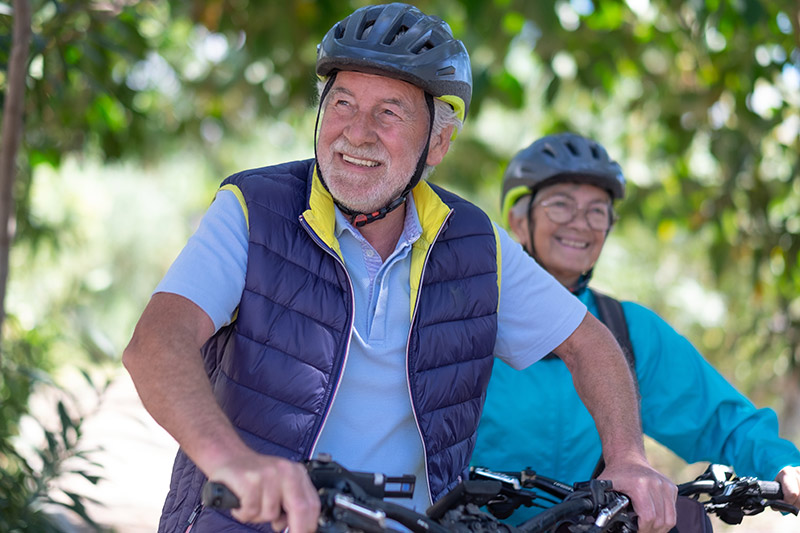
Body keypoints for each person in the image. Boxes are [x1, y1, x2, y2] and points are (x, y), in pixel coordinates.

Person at [122, 6, 677, 533]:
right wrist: (232, 462)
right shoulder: (253, 208)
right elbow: (157, 343)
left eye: (389, 112)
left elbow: (588, 344)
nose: (356, 132)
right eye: (342, 103)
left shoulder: (473, 241)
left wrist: (629, 458)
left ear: (438, 142)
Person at [472, 132, 800, 523]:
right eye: (560, 205)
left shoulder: (627, 330)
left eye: (598, 210)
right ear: (518, 222)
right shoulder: (469, 318)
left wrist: (782, 465)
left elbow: (721, 419)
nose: (581, 223)